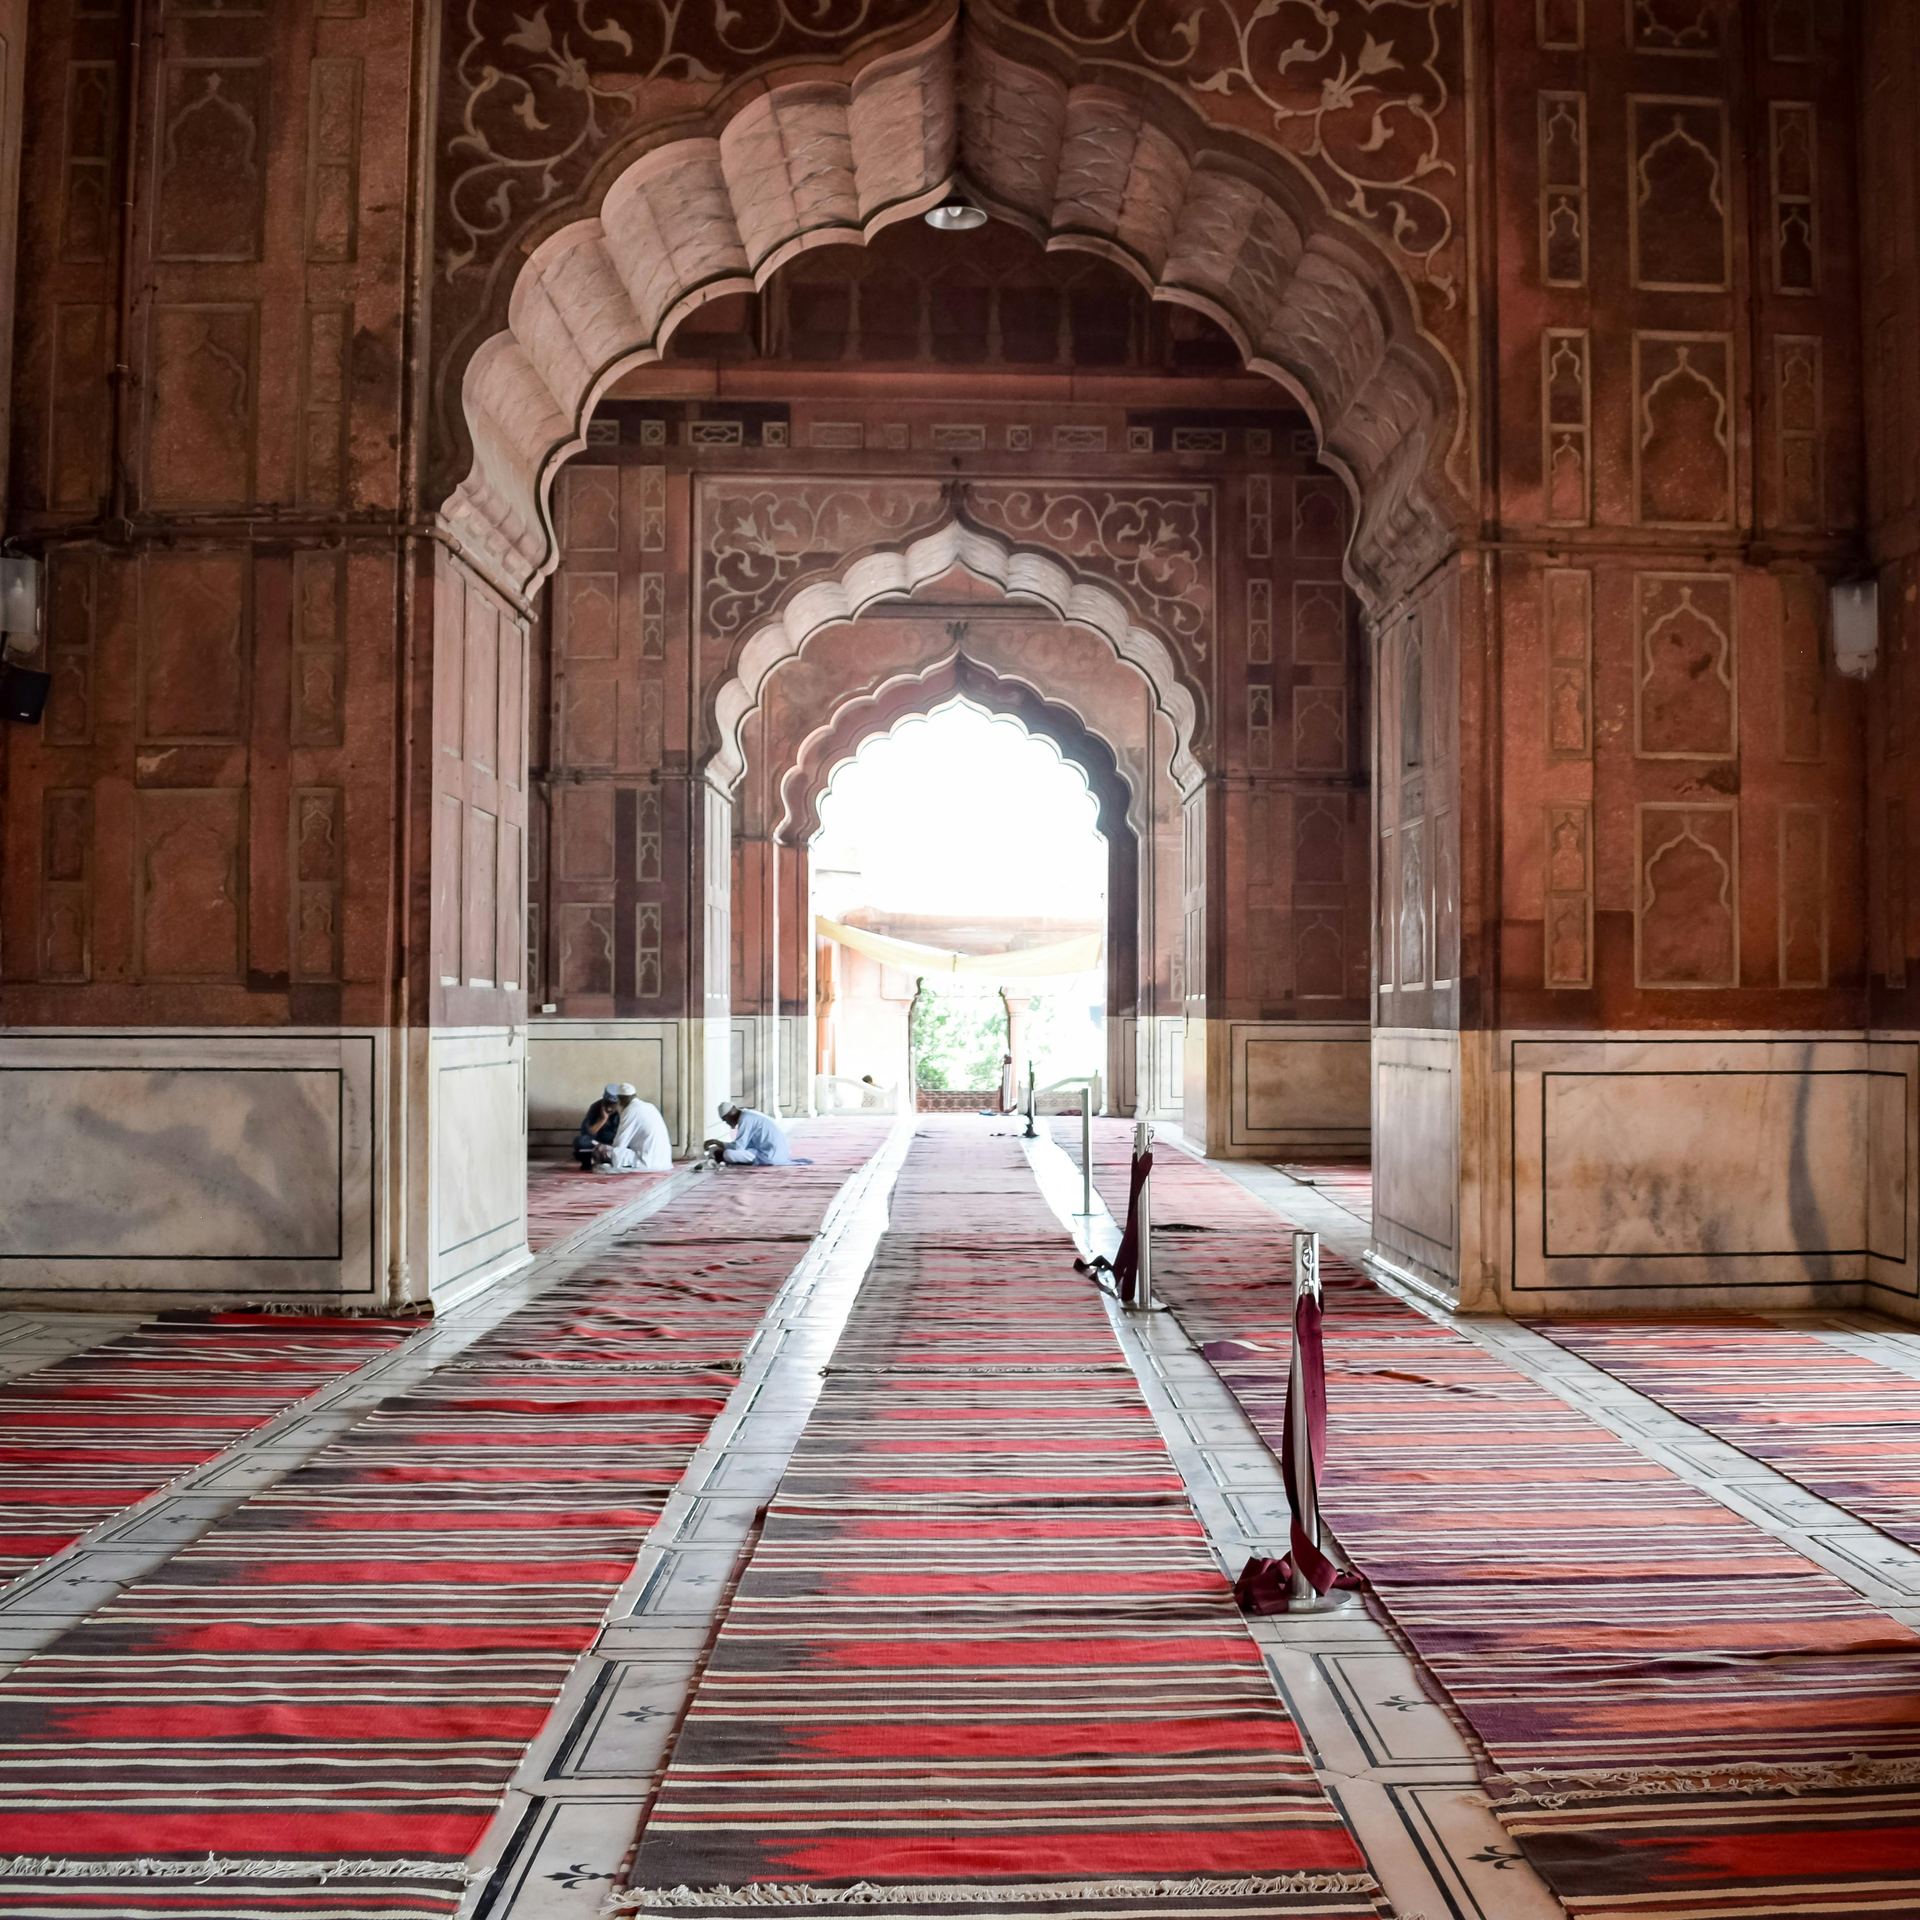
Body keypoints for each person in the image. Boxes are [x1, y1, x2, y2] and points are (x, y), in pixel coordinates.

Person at [596, 1083, 672, 1172]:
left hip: (647, 1161)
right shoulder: (650, 1106)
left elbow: (619, 1144)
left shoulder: (630, 1111)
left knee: (602, 1150)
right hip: (664, 1161)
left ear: (620, 1100)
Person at [705, 1101, 806, 1167]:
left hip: (770, 1156)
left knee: (728, 1154)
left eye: (725, 1120)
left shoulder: (745, 1119)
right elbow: (744, 1145)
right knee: (726, 1152)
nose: (726, 1123)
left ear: (730, 1115)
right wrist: (719, 1145)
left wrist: (718, 1143)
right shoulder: (747, 1115)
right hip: (776, 1152)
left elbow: (738, 1148)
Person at [573, 1084, 623, 1170]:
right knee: (580, 1141)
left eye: (613, 1105)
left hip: (615, 1143)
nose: (609, 1108)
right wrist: (603, 1119)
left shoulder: (623, 1111)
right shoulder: (595, 1107)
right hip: (597, 1143)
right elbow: (587, 1132)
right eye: (607, 1103)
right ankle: (587, 1163)